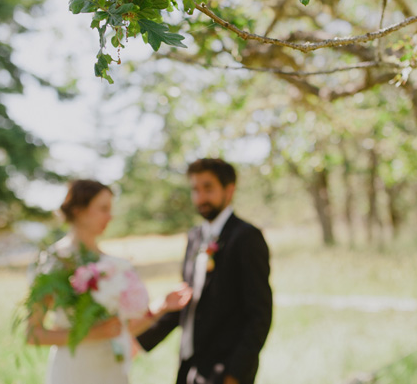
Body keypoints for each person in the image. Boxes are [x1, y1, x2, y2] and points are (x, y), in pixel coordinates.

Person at [26, 179, 192, 384]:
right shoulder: (53, 263)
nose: (110, 216)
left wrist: (160, 308)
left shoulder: (115, 265)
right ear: (79, 210)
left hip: (112, 370)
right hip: (73, 370)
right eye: (103, 208)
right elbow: (33, 334)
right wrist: (94, 334)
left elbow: (122, 329)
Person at [137, 159, 273, 384]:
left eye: (208, 188)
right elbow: (188, 299)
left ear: (229, 190)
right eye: (195, 190)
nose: (200, 198)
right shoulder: (195, 236)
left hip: (224, 368)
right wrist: (138, 339)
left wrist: (236, 374)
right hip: (189, 363)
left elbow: (260, 314)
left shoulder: (246, 237)